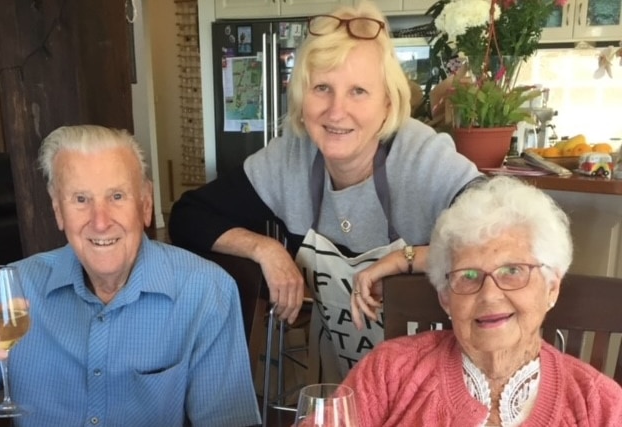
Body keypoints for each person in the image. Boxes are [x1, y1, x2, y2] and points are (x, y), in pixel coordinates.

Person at [169, 0, 482, 381]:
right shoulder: (290, 158)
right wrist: (265, 249)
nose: (336, 111)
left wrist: (405, 259)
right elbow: (189, 217)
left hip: (434, 395)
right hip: (344, 389)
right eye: (322, 88)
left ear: (387, 102)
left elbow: (508, 240)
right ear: (302, 99)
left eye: (358, 91)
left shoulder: (422, 158)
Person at [0, 125, 261, 427]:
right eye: (80, 199)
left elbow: (229, 422)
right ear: (57, 210)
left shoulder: (206, 290)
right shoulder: (11, 293)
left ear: (145, 203)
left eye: (116, 196)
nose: (100, 222)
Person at [339, 176, 622, 425]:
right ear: (445, 297)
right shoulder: (389, 370)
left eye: (513, 271)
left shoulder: (601, 406)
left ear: (552, 287)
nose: (489, 295)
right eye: (469, 275)